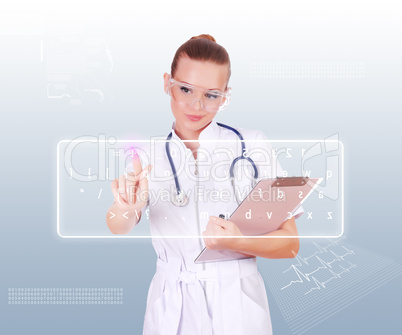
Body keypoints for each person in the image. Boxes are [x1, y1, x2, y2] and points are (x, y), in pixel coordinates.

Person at [106, 34, 304, 335]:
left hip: (237, 304)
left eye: (211, 95)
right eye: (185, 89)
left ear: (225, 95)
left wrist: (239, 242)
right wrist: (126, 207)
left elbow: (290, 244)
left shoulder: (252, 145)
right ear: (166, 83)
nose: (196, 105)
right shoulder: (148, 155)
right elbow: (117, 225)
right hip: (171, 304)